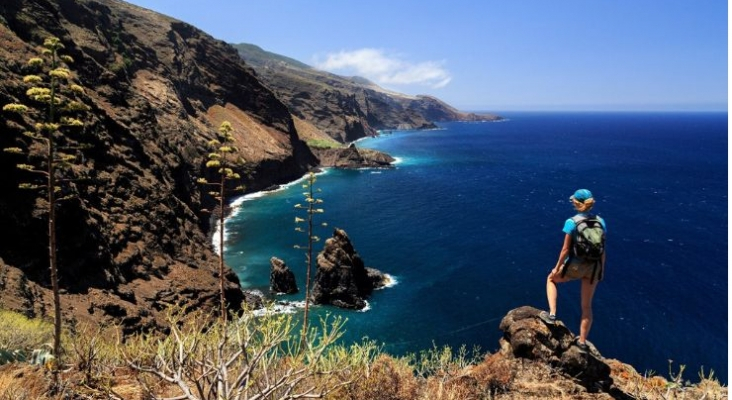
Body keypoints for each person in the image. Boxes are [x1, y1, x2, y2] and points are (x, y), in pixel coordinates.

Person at [539, 189, 606, 353]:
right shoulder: (600, 222)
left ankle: (552, 314)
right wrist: (601, 270)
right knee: (587, 306)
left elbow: (565, 250)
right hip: (594, 267)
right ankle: (582, 343)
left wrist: (557, 267)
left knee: (551, 279)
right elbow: (603, 249)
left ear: (576, 203)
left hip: (575, 266)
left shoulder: (572, 222)